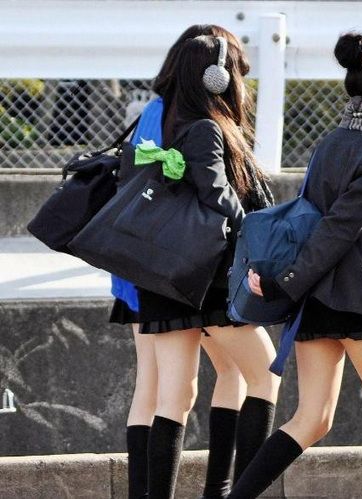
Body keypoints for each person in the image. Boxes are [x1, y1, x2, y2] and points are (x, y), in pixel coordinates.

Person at [229, 32, 362, 499]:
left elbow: (327, 211)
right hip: (357, 298)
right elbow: (339, 226)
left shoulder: (331, 141)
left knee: (312, 418)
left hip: (315, 298)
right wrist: (287, 281)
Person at [109, 25, 280, 499]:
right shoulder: (205, 127)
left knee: (171, 394)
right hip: (200, 278)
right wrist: (257, 233)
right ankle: (231, 491)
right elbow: (218, 195)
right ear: (215, 78)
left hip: (152, 273)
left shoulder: (160, 117)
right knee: (263, 373)